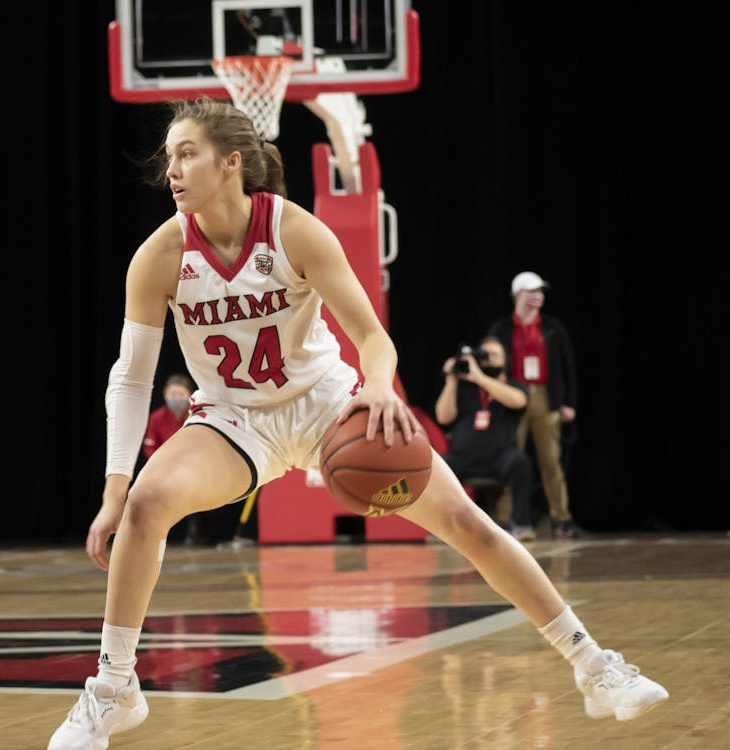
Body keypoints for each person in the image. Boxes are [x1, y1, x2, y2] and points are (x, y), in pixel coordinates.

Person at [46, 97, 667, 750]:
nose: (170, 168)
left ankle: (594, 666)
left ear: (231, 163)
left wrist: (378, 390)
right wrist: (114, 491)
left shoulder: (295, 231)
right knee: (146, 506)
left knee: (467, 525)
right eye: (168, 156)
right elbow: (132, 377)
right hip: (234, 419)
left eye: (186, 153)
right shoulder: (158, 256)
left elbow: (372, 337)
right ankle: (114, 688)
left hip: (326, 405)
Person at [487, 271, 581, 539]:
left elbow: (567, 366)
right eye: (531, 292)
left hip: (544, 397)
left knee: (550, 461)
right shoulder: (502, 328)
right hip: (513, 397)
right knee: (510, 458)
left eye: (540, 292)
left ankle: (561, 518)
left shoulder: (552, 327)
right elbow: (491, 363)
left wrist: (567, 402)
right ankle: (506, 519)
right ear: (518, 294)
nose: (537, 297)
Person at [435, 337, 536, 541]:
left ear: (505, 361)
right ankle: (442, 529)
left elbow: (518, 401)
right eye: (484, 355)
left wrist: (479, 377)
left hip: (500, 458)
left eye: (494, 355)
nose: (489, 359)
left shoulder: (514, 386)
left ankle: (522, 525)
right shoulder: (464, 388)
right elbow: (443, 416)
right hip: (464, 457)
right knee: (440, 466)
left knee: (520, 463)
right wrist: (451, 380)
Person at [140, 373, 202, 544]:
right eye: (172, 394)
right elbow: (149, 446)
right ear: (165, 394)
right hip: (162, 468)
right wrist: (163, 465)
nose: (176, 398)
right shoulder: (157, 418)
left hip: (191, 466)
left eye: (180, 395)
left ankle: (194, 531)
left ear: (190, 395)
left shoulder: (196, 417)